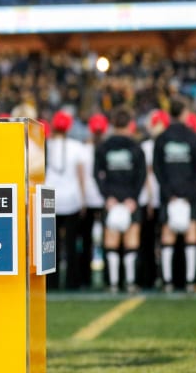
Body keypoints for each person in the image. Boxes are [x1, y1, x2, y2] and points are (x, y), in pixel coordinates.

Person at [153, 97, 196, 293]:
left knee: (168, 236)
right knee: (191, 235)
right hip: (188, 195)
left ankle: (168, 281)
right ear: (185, 113)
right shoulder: (193, 137)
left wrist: (169, 194)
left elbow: (158, 170)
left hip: (169, 196)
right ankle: (191, 280)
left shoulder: (161, 137)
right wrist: (188, 194)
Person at [93, 106, 147, 293]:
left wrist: (107, 197)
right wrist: (134, 199)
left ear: (113, 124)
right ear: (130, 124)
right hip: (130, 200)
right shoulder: (136, 147)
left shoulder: (103, 147)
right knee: (131, 242)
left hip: (112, 200)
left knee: (111, 242)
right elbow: (142, 176)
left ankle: (113, 283)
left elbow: (96, 174)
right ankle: (130, 282)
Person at [46, 110, 87, 290]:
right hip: (71, 198)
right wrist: (83, 198)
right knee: (71, 243)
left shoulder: (46, 144)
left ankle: (51, 282)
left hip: (48, 198)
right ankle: (72, 281)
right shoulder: (77, 147)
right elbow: (81, 175)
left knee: (50, 244)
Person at [79, 112, 109, 288]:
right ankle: (108, 278)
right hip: (104, 197)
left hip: (88, 198)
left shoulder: (83, 149)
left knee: (86, 240)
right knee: (108, 239)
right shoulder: (107, 147)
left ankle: (84, 278)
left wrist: (82, 199)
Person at [139, 109, 168, 288]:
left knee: (159, 240)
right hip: (157, 197)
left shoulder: (148, 147)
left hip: (158, 197)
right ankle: (159, 276)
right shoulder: (147, 147)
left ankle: (158, 276)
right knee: (154, 240)